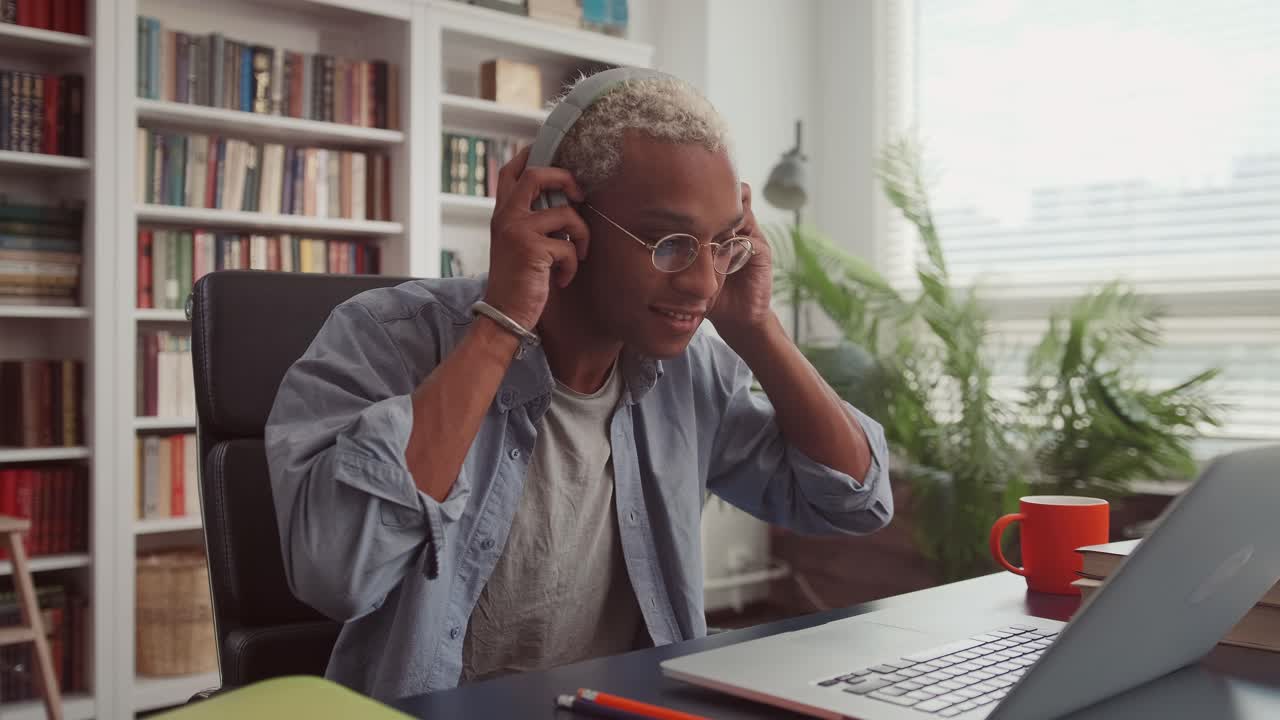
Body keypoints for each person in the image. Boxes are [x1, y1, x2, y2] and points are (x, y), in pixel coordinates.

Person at [264, 69, 892, 703]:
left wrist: (758, 331)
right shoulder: (385, 337)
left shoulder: (688, 374)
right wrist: (501, 326)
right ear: (556, 218)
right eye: (667, 242)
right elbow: (337, 571)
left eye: (720, 243)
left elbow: (855, 502)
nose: (704, 283)